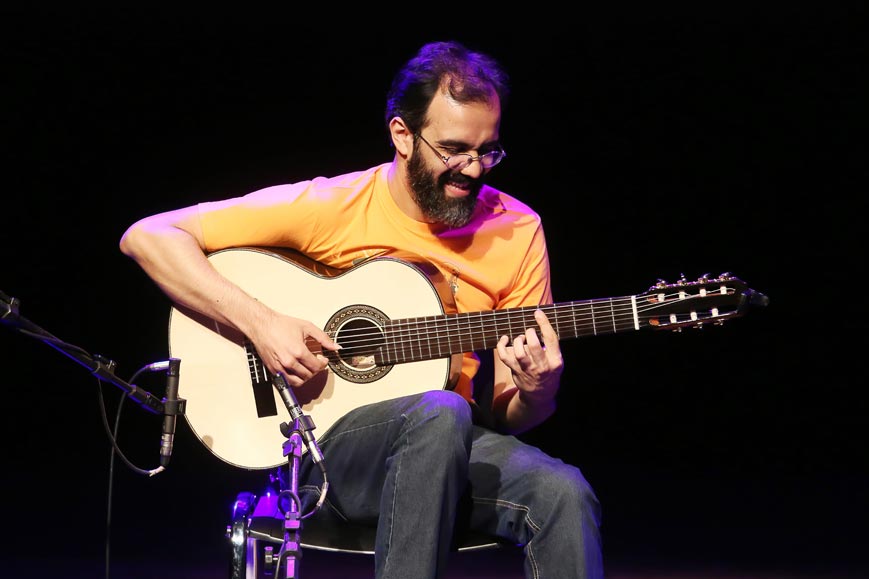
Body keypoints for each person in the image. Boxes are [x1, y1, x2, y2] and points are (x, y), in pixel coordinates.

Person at [120, 40, 603, 579]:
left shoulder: (517, 229)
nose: (472, 168)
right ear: (402, 135)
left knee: (563, 492)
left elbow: (509, 412)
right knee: (441, 413)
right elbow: (150, 236)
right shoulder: (334, 207)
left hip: (454, 444)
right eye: (454, 150)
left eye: (487, 150)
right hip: (327, 453)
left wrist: (539, 390)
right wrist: (262, 324)